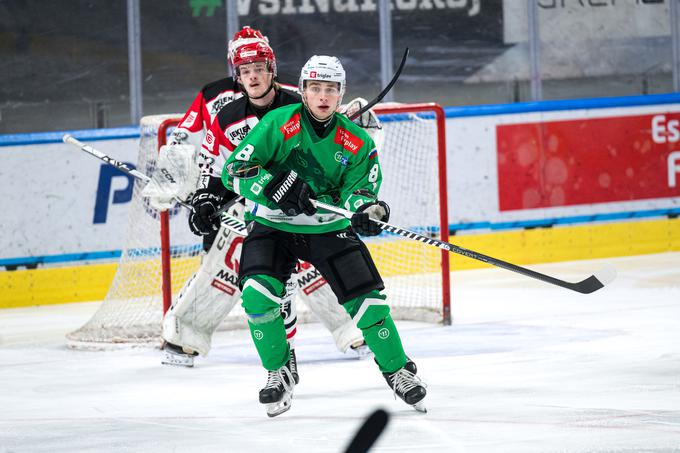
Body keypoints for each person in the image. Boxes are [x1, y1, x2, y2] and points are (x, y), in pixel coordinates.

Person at [222, 55, 427, 417]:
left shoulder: (358, 141)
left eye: (330, 89)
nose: (322, 96)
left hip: (328, 228)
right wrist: (273, 186)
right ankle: (279, 370)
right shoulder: (277, 123)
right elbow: (233, 171)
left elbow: (361, 191)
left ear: (340, 94)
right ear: (302, 91)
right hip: (274, 224)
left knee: (368, 302)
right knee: (256, 294)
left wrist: (366, 211)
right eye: (315, 88)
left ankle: (397, 370)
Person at [154, 27, 368, 372]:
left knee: (315, 265)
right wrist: (208, 198)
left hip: (302, 204)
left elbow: (329, 142)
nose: (253, 76)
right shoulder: (225, 116)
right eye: (245, 70)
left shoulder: (297, 104)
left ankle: (356, 328)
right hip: (253, 206)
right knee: (226, 267)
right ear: (236, 75)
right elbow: (218, 167)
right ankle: (185, 335)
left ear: (272, 69)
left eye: (259, 68)